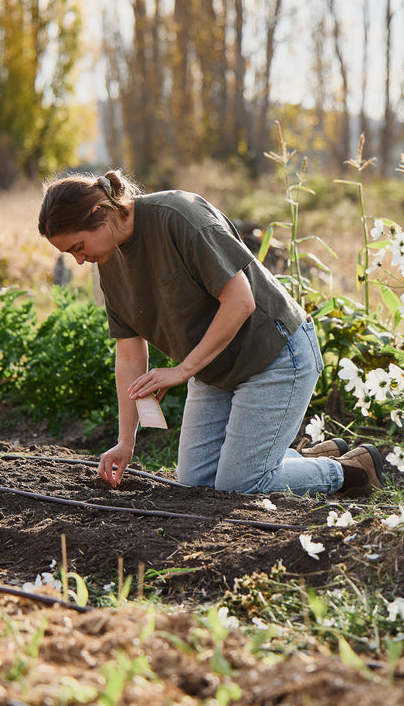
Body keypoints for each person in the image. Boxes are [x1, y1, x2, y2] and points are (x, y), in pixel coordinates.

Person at [37, 170, 385, 498]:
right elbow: (130, 355)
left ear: (100, 212)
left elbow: (240, 302)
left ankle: (353, 471)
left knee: (240, 485)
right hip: (215, 370)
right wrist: (125, 441)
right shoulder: (108, 264)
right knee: (195, 485)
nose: (80, 260)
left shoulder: (178, 215)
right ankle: (302, 458)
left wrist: (182, 370)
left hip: (275, 354)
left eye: (78, 247)